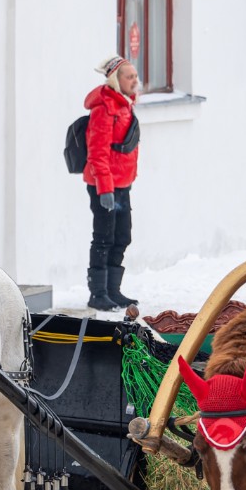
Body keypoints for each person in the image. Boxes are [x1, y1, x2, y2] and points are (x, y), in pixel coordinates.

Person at [82, 55, 141, 311]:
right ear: (116, 80)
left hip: (122, 184)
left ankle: (113, 290)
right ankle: (98, 293)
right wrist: (104, 188)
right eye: (130, 76)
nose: (135, 81)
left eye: (135, 76)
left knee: (122, 235)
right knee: (104, 237)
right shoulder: (104, 108)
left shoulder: (125, 104)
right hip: (104, 186)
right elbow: (97, 152)